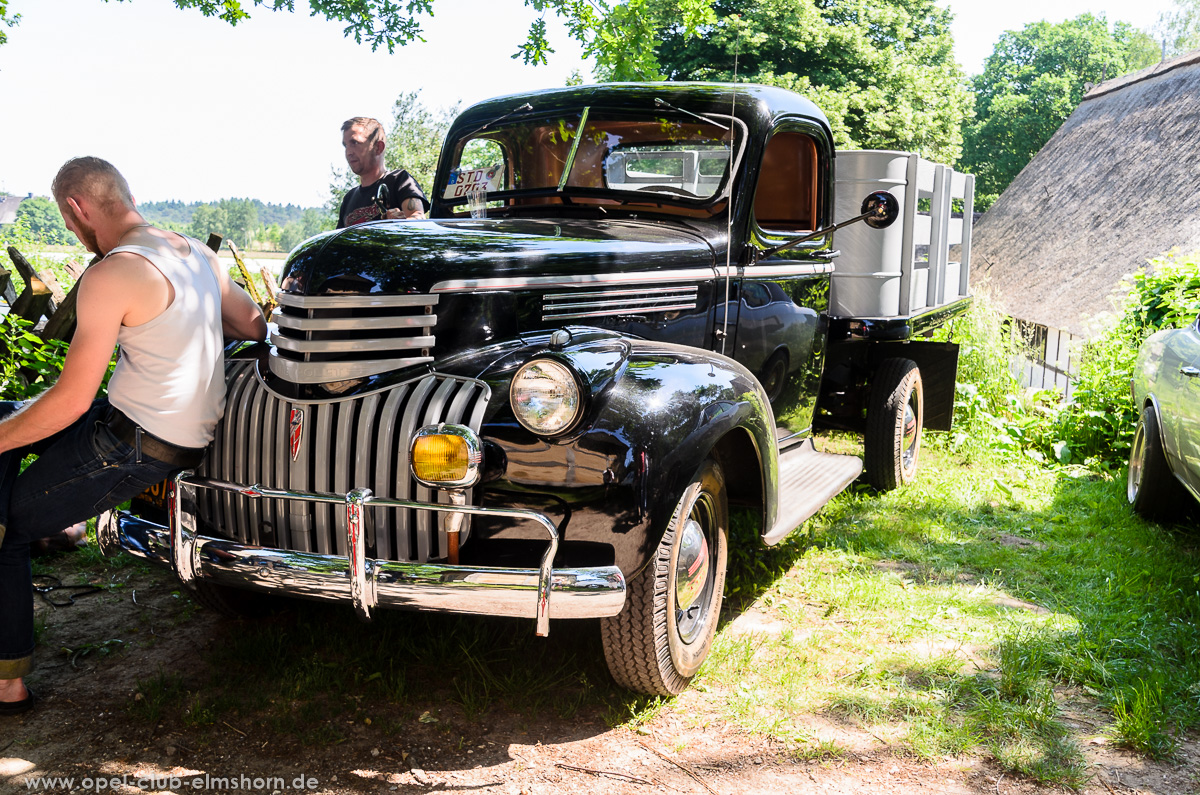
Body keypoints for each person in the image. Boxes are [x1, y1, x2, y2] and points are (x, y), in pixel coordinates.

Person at [0, 157, 267, 715]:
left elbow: (70, 399)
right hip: (139, 423)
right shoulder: (194, 251)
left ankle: (8, 684)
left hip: (132, 445)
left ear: (78, 209)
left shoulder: (112, 272)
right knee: (6, 413)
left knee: (11, 531)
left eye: (68, 221)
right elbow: (252, 325)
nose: (73, 232)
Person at [337, 116, 430, 228]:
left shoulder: (399, 180)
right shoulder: (349, 198)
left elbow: (418, 219)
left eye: (355, 143)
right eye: (345, 145)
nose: (348, 152)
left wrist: (404, 222)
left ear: (378, 147)